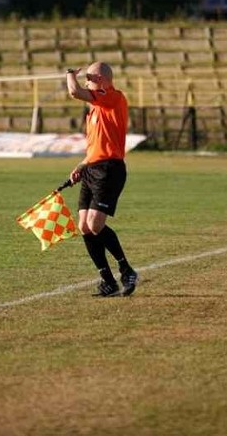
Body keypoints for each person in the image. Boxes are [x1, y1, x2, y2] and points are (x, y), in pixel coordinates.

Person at [66, 62, 138, 297]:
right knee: (85, 227)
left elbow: (74, 91)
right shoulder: (94, 110)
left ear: (100, 79)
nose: (85, 81)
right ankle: (108, 281)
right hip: (92, 168)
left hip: (110, 169)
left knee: (96, 225)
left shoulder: (113, 97)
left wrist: (70, 74)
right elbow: (95, 147)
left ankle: (126, 269)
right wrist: (81, 165)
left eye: (88, 77)